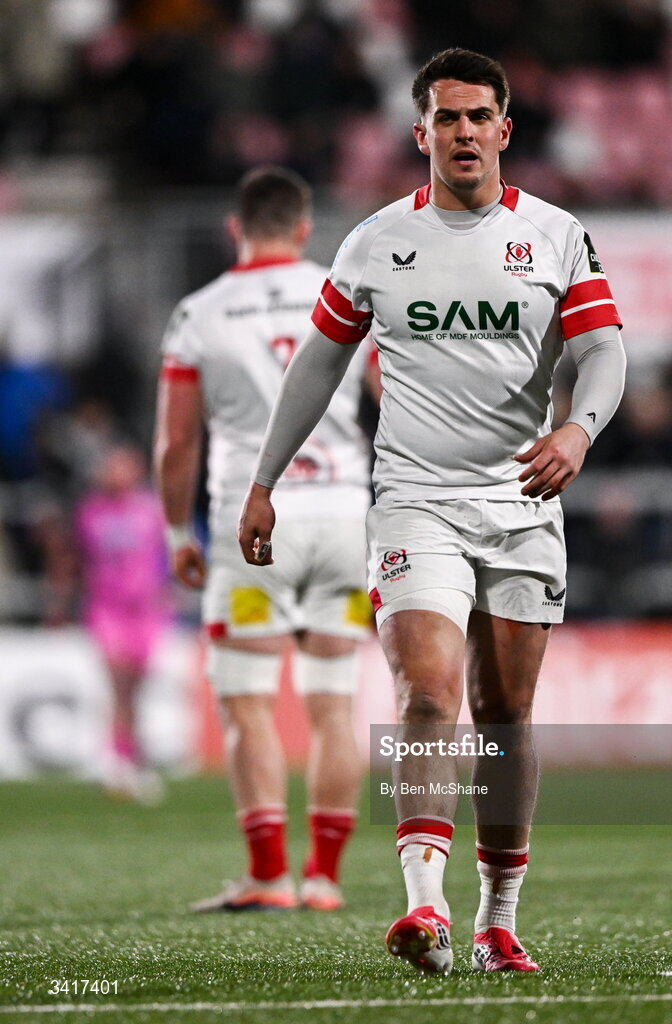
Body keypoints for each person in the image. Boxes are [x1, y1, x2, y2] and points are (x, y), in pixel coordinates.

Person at [238, 49, 626, 972]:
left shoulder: (556, 234)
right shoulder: (375, 241)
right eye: (444, 118)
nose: (462, 132)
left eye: (477, 116)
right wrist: (265, 479)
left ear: (504, 129)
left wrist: (577, 432)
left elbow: (605, 348)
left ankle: (498, 919)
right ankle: (424, 908)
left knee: (506, 717)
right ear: (419, 134)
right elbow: (318, 365)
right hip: (416, 500)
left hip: (525, 500)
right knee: (425, 691)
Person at [154, 166, 377, 913]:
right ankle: (325, 877)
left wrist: (175, 529)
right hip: (344, 517)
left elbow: (176, 442)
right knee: (332, 704)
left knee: (248, 701)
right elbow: (394, 396)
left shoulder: (200, 313)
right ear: (305, 227)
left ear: (235, 228)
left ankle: (269, 874)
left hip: (255, 523)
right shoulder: (343, 290)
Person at [75, 442, 170, 803]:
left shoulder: (152, 511)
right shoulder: (91, 512)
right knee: (119, 681)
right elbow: (81, 559)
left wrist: (167, 590)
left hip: (145, 611)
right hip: (107, 608)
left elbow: (168, 555)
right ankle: (117, 759)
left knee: (136, 689)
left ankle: (131, 757)